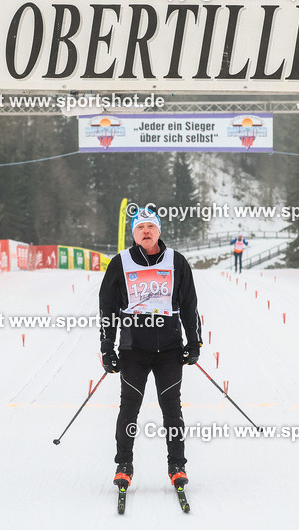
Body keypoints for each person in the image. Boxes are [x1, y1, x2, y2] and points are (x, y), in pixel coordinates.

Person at [99, 207, 202, 491]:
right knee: (129, 409)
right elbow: (107, 308)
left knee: (172, 409)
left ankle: (177, 466)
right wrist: (107, 347)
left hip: (170, 349)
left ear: (158, 231)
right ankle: (124, 465)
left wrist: (194, 342)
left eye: (150, 227)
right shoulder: (120, 263)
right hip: (133, 350)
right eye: (140, 227)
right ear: (133, 234)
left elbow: (190, 304)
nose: (146, 231)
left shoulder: (176, 261)